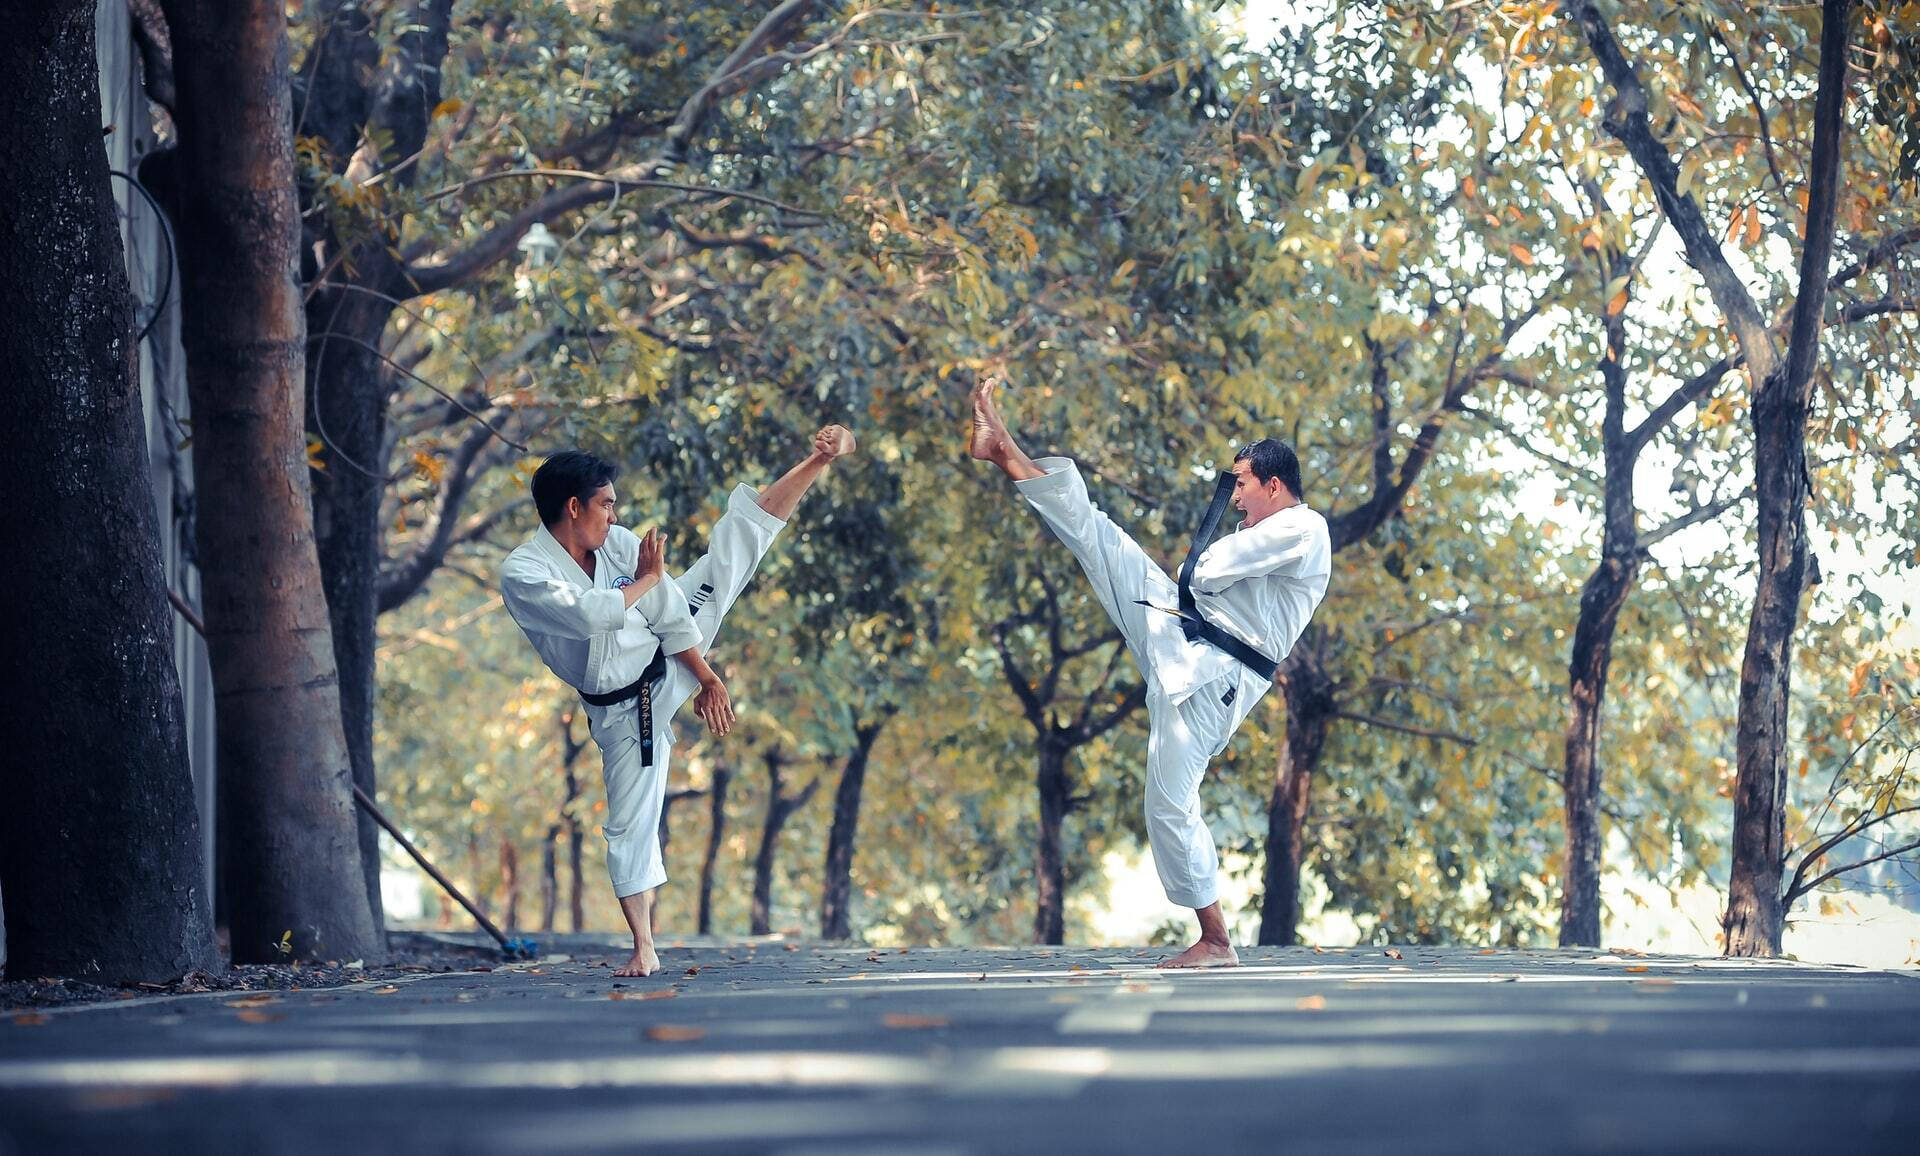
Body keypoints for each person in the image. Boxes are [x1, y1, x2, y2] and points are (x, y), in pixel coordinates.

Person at [967, 377, 1330, 967]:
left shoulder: (1306, 529)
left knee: (1168, 800)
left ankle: (1216, 941)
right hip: (1180, 625)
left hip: (1216, 676)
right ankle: (1003, 449)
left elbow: (1211, 570)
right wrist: (1207, 571)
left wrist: (1212, 565)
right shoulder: (1263, 528)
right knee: (1100, 537)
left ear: (1273, 484)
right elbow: (1206, 576)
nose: (1235, 498)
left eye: (1240, 484)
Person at [501, 425, 857, 976]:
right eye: (606, 505)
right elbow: (591, 615)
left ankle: (817, 462)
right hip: (619, 710)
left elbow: (670, 613)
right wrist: (646, 580)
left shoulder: (617, 544)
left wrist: (707, 678)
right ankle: (644, 945)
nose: (615, 516)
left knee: (726, 561)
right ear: (573, 507)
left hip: (665, 661)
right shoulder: (524, 572)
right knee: (629, 822)